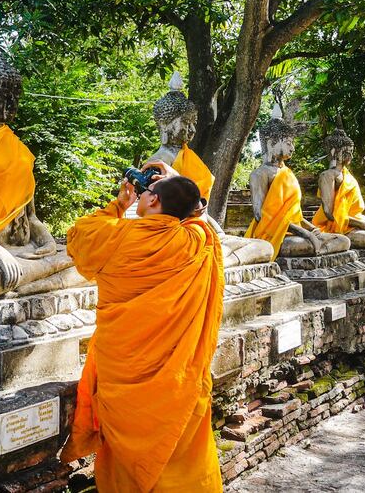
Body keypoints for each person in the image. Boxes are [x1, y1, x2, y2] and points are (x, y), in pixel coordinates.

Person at [59, 163, 224, 493]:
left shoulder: (117, 236)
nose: (142, 196)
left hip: (123, 379)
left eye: (148, 193)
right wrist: (175, 183)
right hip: (179, 381)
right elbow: (198, 217)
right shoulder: (199, 242)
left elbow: (80, 233)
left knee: (128, 469)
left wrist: (120, 204)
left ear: (153, 202)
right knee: (180, 456)